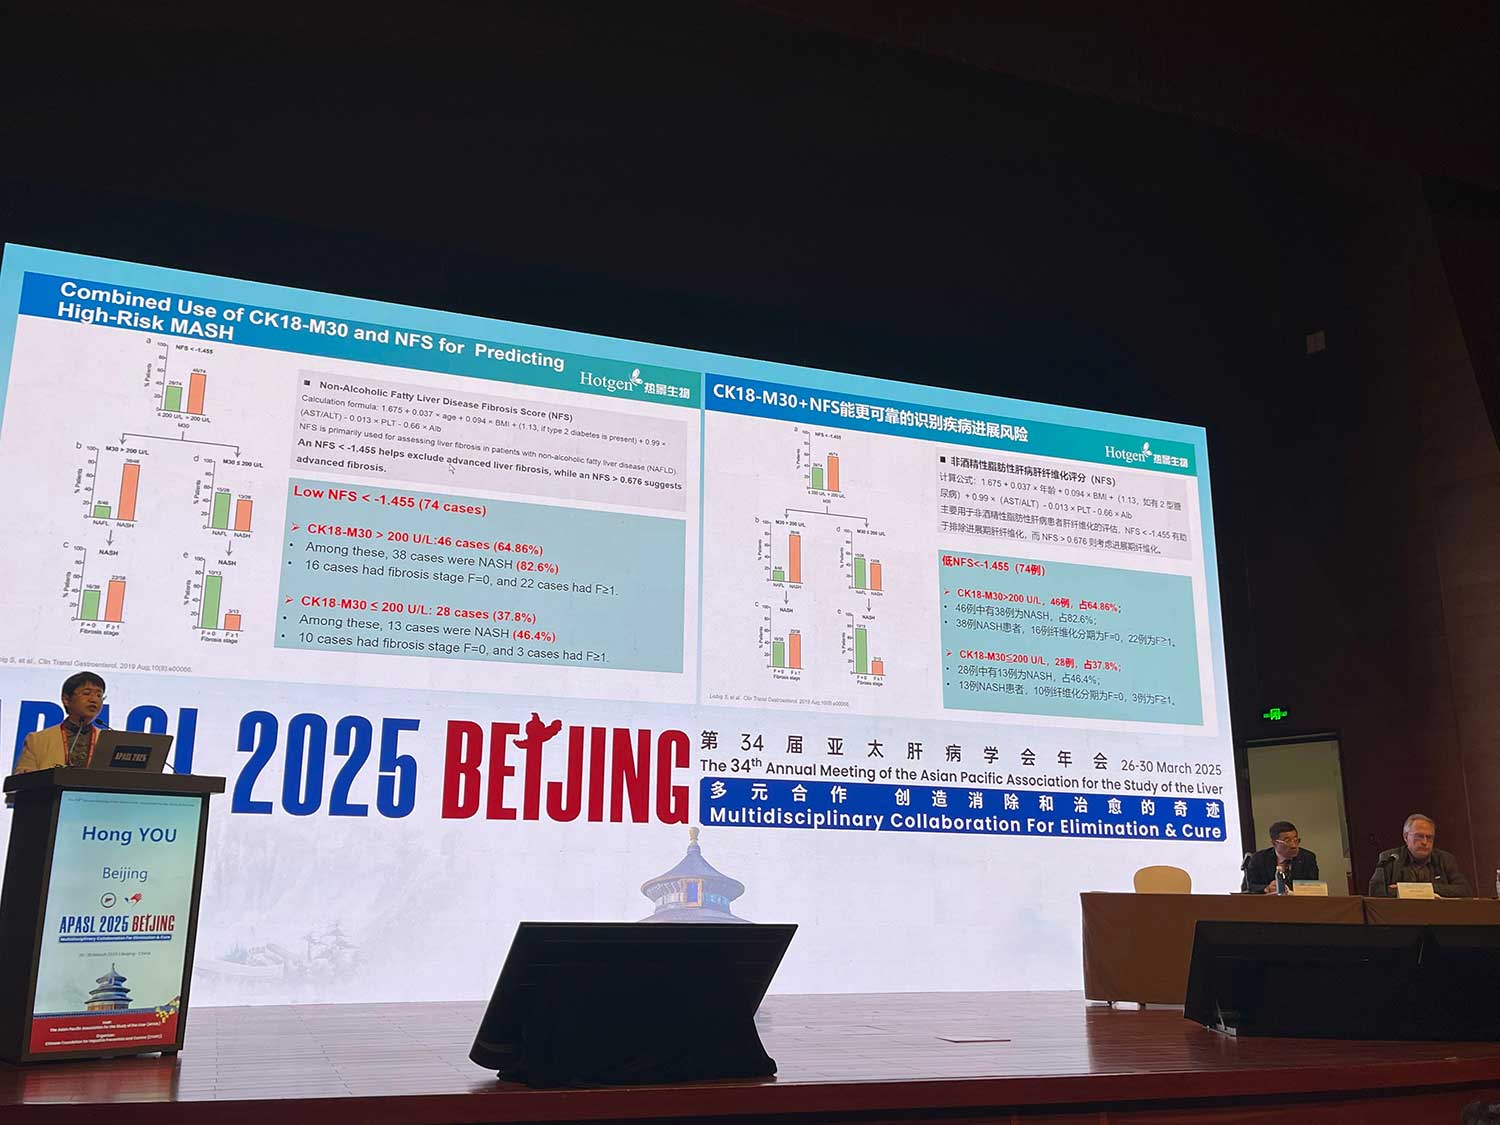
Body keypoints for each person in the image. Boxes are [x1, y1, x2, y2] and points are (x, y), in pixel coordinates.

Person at [15, 671, 108, 774]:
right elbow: (21, 778)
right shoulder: (37, 740)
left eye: (99, 695)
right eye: (86, 693)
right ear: (66, 699)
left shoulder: (108, 741)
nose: (94, 699)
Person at [1367, 812, 1472, 898]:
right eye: (1419, 836)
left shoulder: (1445, 859)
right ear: (1406, 837)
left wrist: (1414, 889)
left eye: (1429, 837)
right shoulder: (1390, 858)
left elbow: (1464, 890)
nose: (1425, 842)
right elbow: (1375, 891)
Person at [1241, 820, 1319, 894]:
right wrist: (1266, 888)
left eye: (1296, 840)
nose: (1294, 845)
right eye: (1287, 841)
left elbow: (1313, 887)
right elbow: (1247, 887)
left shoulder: (1308, 858)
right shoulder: (1258, 859)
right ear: (1274, 843)